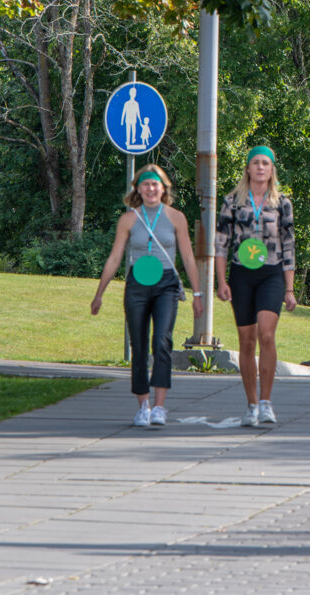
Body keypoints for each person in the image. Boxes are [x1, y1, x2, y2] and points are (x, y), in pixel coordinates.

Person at [92, 165, 201, 426]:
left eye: (155, 184)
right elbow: (115, 257)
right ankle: (144, 405)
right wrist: (99, 294)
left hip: (166, 284)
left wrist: (197, 293)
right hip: (137, 283)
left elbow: (187, 256)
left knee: (162, 341)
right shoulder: (129, 219)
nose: (151, 189)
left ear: (163, 188)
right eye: (146, 184)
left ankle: (160, 407)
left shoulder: (176, 217)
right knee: (138, 345)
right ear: (138, 189)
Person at [215, 146, 297, 426]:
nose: (261, 167)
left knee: (267, 335)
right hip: (241, 274)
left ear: (272, 169)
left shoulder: (282, 203)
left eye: (266, 163)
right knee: (247, 342)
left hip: (271, 274)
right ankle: (251, 404)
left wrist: (289, 288)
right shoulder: (231, 202)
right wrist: (221, 281)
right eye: (256, 163)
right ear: (248, 169)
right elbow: (221, 244)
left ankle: (266, 402)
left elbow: (289, 246)